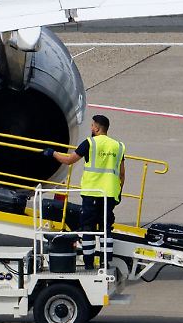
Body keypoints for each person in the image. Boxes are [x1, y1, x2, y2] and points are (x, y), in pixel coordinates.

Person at [43, 114, 126, 270]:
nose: (91, 127)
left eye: (92, 125)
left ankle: (89, 263)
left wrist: (52, 153)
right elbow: (122, 174)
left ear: (97, 128)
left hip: (92, 193)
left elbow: (69, 160)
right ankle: (105, 262)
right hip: (110, 194)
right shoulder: (118, 146)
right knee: (106, 228)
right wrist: (118, 192)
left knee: (88, 228)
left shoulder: (90, 143)